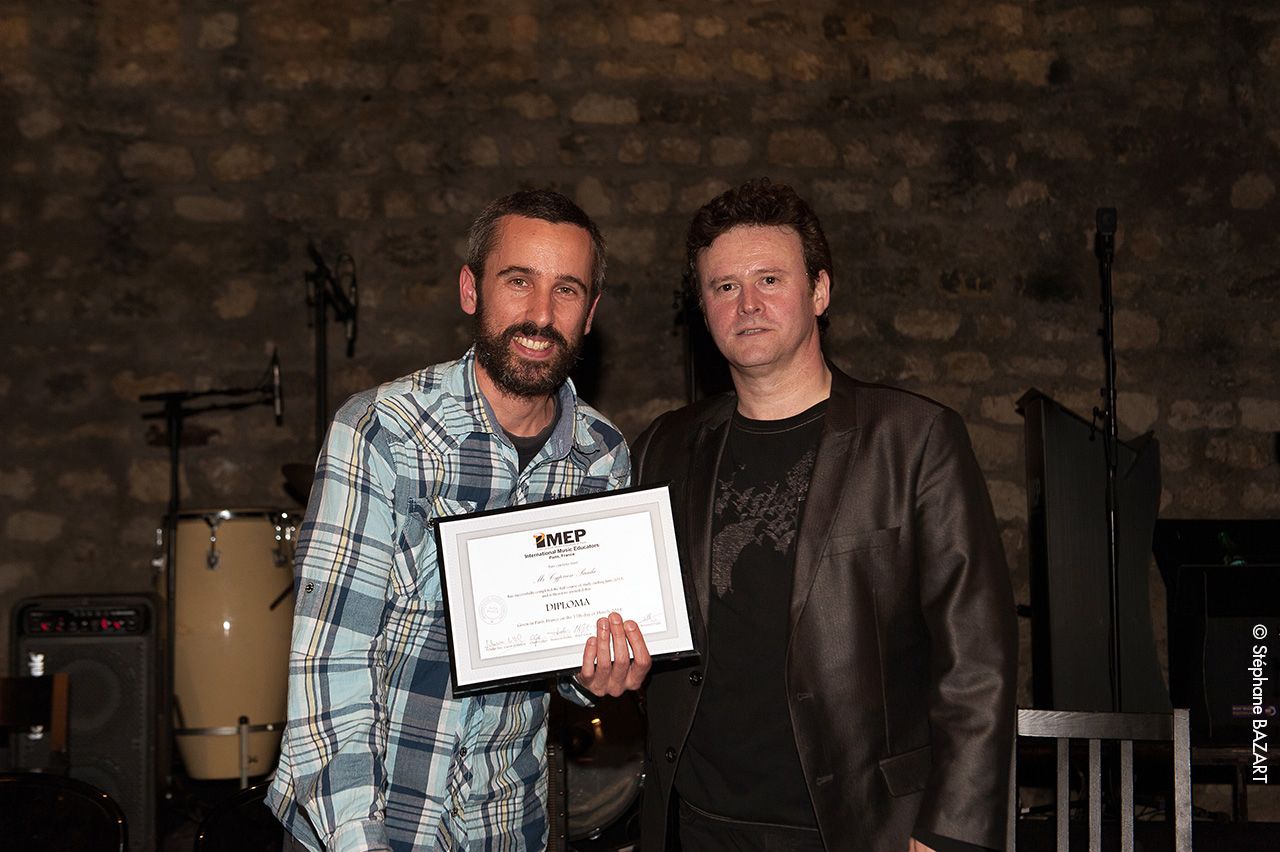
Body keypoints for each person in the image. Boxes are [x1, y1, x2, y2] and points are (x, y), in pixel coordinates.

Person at [632, 178, 1017, 852]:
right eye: (724, 287)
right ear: (703, 307)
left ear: (819, 292)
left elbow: (977, 659)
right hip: (697, 823)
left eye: (770, 279)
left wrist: (948, 833)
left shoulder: (914, 439)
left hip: (859, 829)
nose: (747, 303)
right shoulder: (667, 443)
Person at [267, 189, 651, 852]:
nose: (539, 314)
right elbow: (328, 668)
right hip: (369, 826)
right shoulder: (381, 433)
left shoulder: (601, 455)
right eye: (518, 281)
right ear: (471, 290)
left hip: (510, 827)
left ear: (590, 314)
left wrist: (593, 680)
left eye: (566, 290)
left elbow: (560, 658)